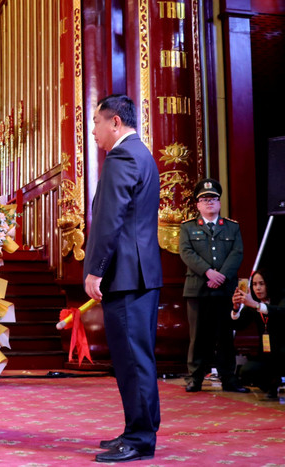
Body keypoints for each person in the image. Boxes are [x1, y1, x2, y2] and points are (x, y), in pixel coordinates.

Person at [84, 94, 163, 463]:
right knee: (136, 358)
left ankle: (140, 438)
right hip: (139, 275)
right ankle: (138, 428)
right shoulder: (140, 153)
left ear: (115, 122)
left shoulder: (122, 157)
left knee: (133, 360)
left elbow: (109, 219)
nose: (93, 131)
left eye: (96, 122)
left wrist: (95, 269)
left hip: (127, 276)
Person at [179, 178, 246, 393]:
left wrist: (221, 276)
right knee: (198, 336)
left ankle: (229, 378)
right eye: (204, 199)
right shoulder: (188, 227)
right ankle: (195, 378)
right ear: (197, 204)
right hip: (198, 288)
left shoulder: (232, 227)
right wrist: (208, 272)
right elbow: (186, 252)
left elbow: (237, 253)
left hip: (225, 289)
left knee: (225, 336)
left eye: (213, 199)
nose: (209, 202)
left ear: (219, 203)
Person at [232, 269, 285, 398]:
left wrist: (256, 305)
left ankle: (276, 380)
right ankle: (272, 385)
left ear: (269, 284)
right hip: (267, 354)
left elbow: (280, 313)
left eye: (262, 284)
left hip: (282, 351)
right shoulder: (254, 303)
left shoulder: (281, 298)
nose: (258, 288)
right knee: (246, 372)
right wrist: (236, 308)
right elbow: (239, 325)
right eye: (255, 284)